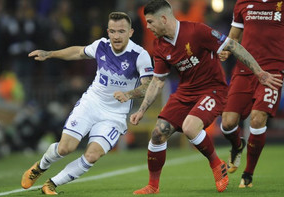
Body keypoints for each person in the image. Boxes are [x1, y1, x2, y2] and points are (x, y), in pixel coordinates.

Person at [129, 0, 282, 194]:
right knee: (158, 133)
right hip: (185, 92)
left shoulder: (197, 31)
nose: (148, 27)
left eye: (150, 22)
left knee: (190, 127)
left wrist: (259, 72)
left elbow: (233, 46)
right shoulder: (159, 46)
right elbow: (158, 81)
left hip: (212, 90)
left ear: (164, 19)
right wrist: (141, 110)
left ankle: (217, 166)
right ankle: (153, 185)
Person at [20, 12, 153, 195]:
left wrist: (129, 94)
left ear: (130, 32)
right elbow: (78, 52)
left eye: (121, 31)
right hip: (91, 104)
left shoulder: (140, 55)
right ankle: (39, 167)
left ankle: (51, 184)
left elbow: (148, 86)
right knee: (66, 148)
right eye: (112, 31)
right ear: (108, 31)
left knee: (92, 155)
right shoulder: (101, 46)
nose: (116, 36)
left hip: (115, 115)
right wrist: (50, 54)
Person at [219, 0, 284, 188]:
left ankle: (248, 174)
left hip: (272, 70)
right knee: (228, 123)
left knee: (257, 119)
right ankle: (237, 146)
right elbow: (234, 37)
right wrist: (227, 51)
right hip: (244, 69)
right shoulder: (242, 3)